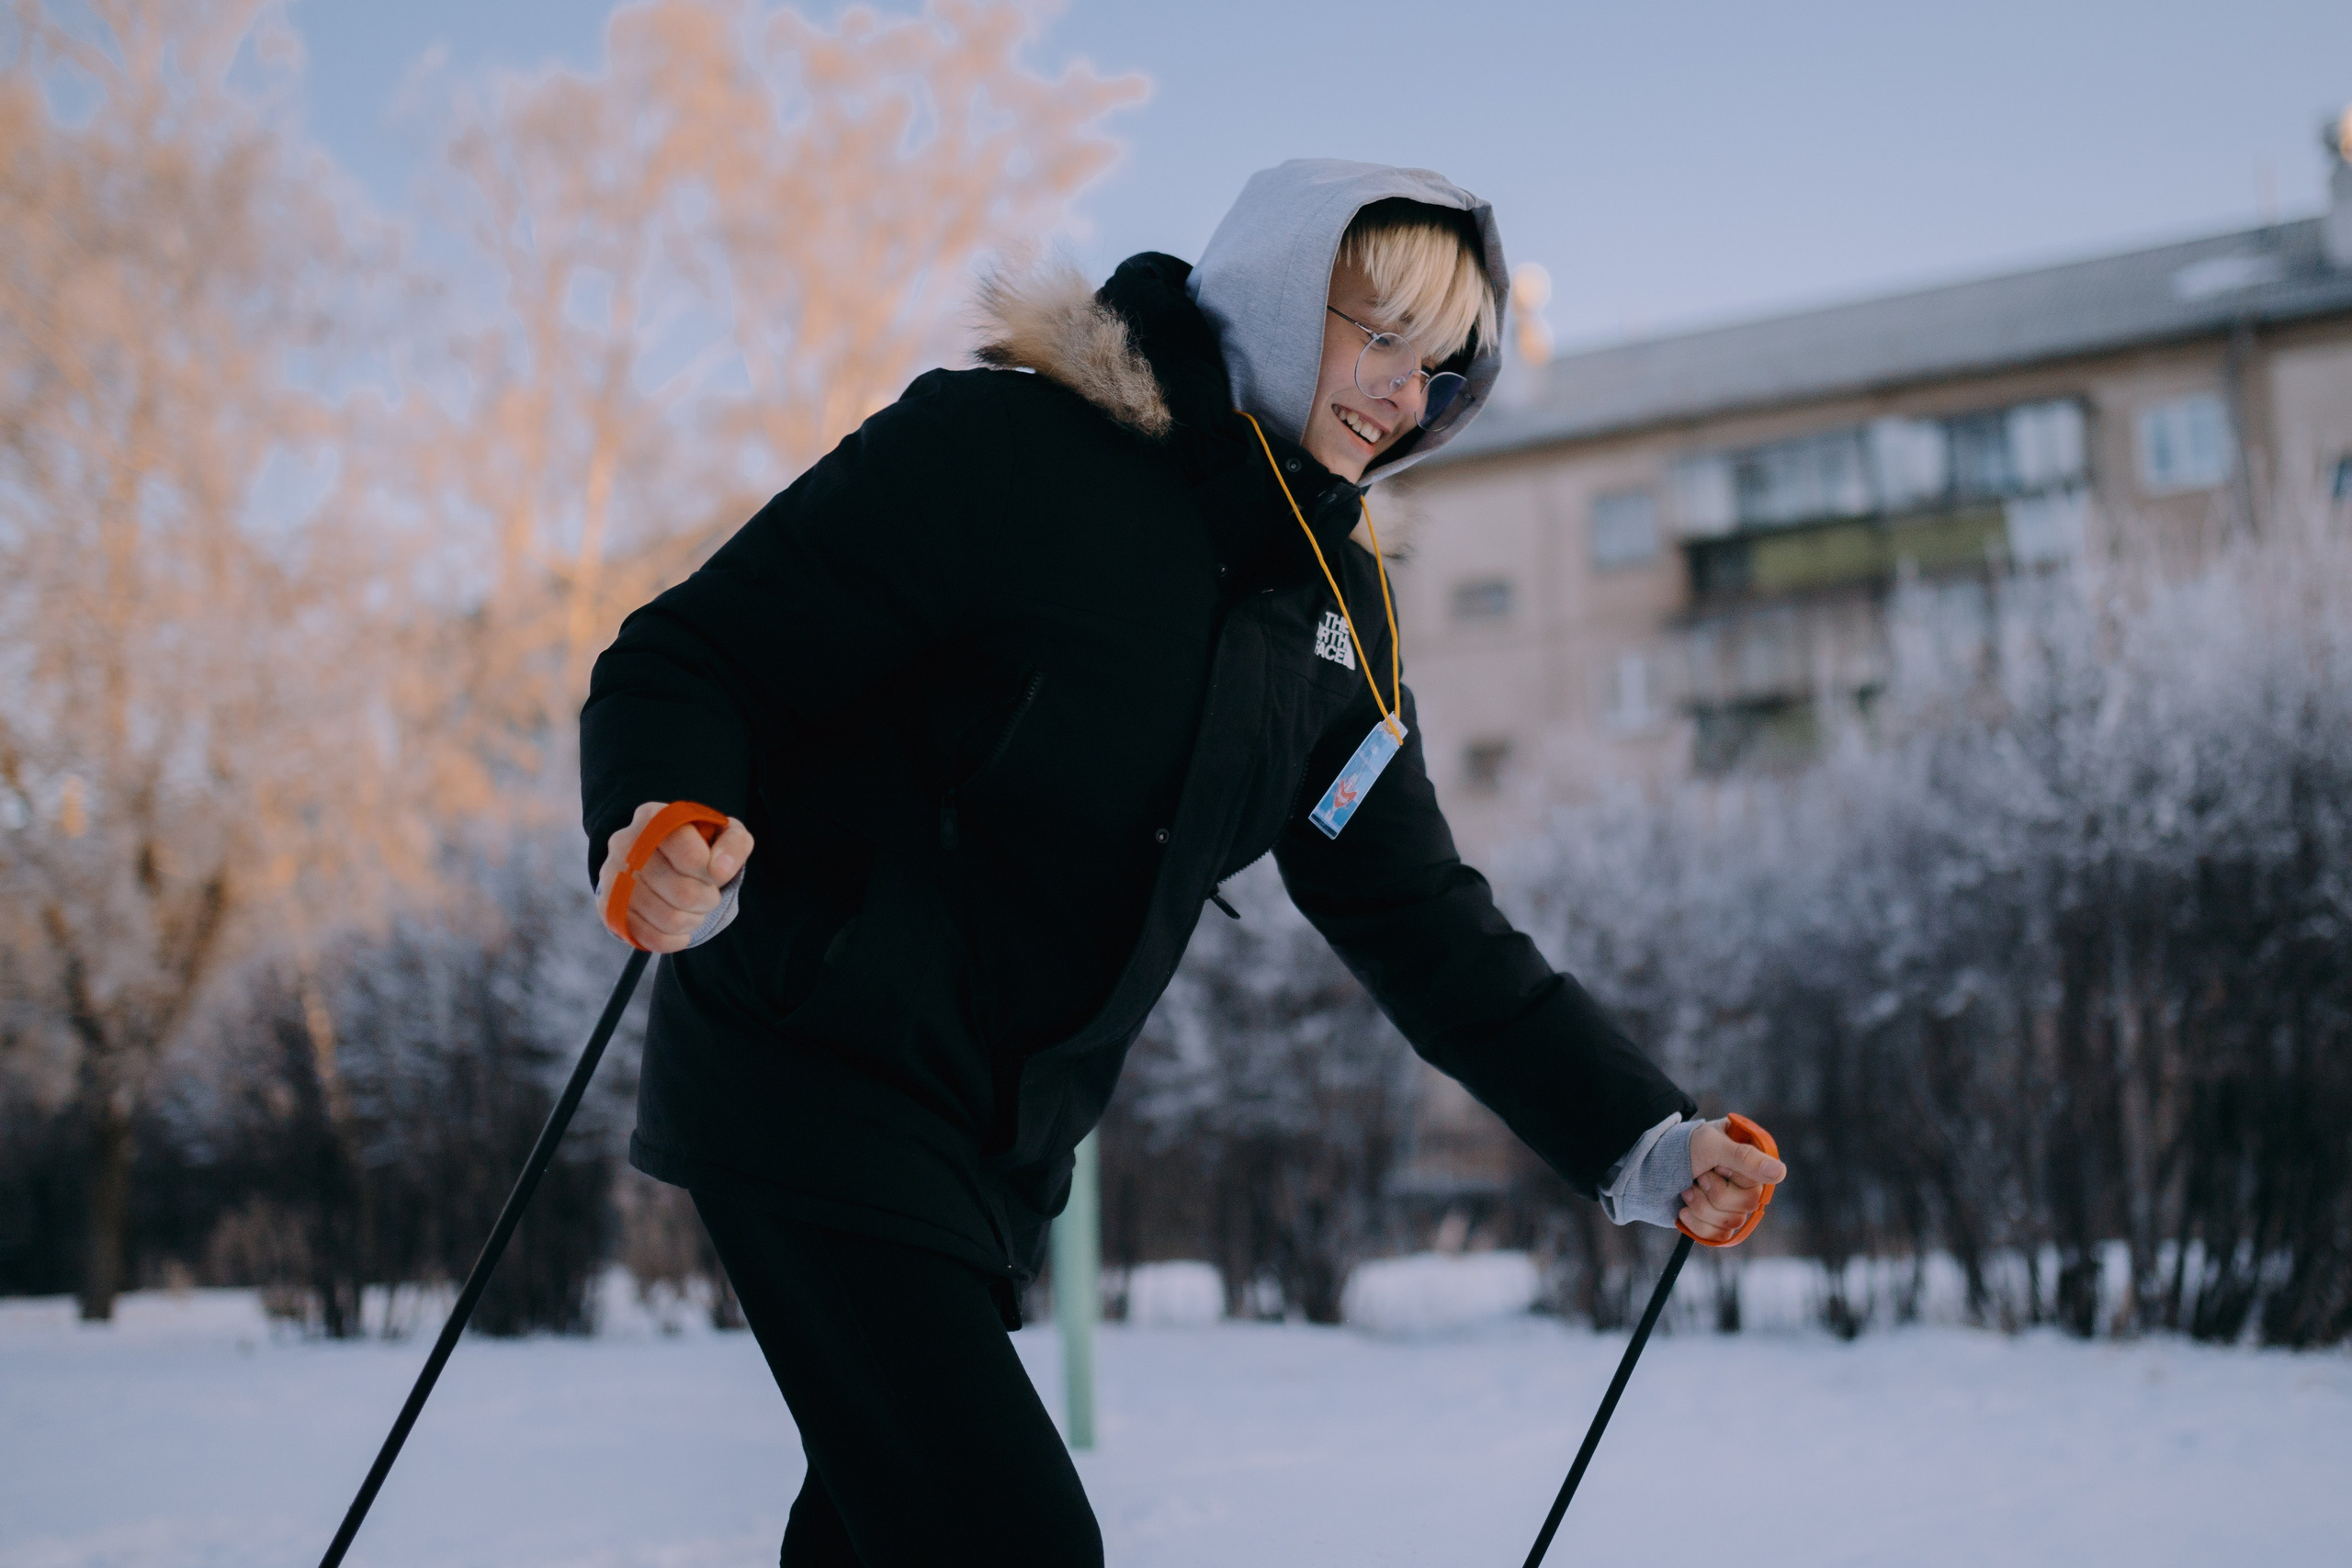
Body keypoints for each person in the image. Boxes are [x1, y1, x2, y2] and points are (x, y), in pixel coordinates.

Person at [580, 159, 1787, 1568]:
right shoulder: (1004, 452)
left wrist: (1645, 1138)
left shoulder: (1337, 627)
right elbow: (696, 654)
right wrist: (662, 823)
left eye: (1442, 365)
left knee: (879, 1537)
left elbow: (1428, 925)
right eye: (1380, 335)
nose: (1406, 395)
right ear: (1277, 294)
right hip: (814, 1064)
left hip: (998, 1155)